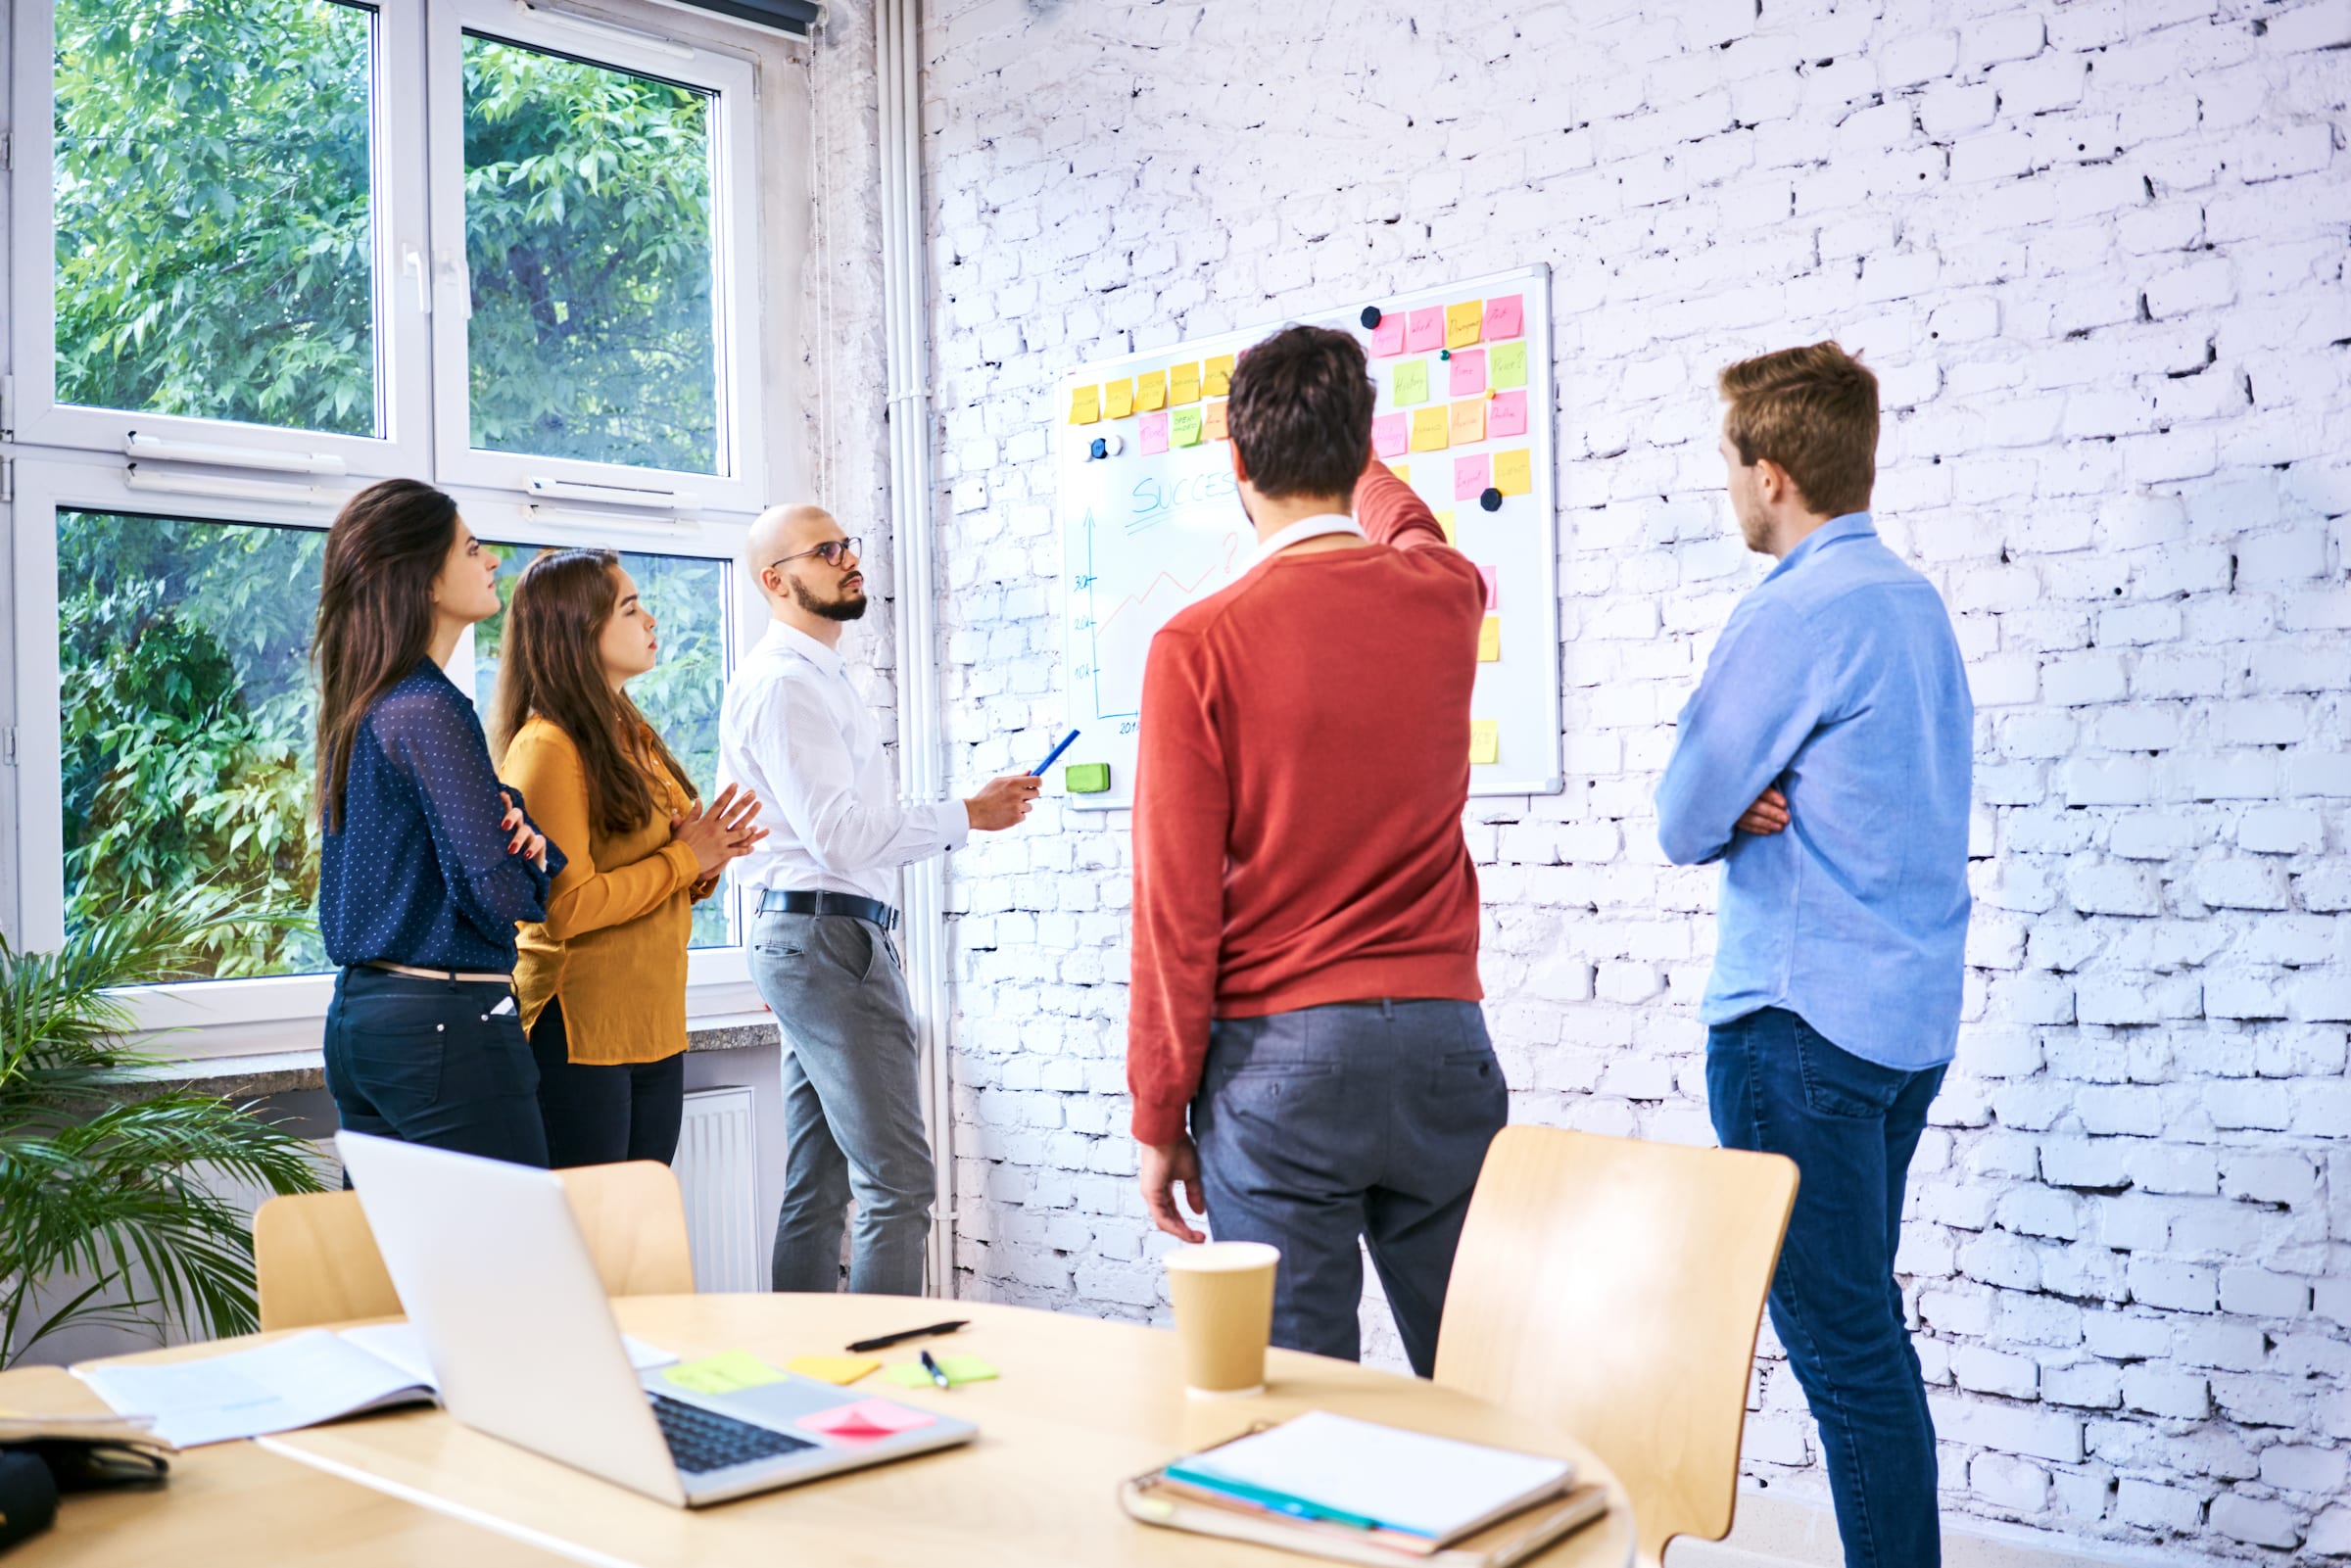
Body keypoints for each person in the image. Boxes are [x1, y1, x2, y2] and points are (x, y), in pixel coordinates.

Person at [1127, 324, 1504, 1377]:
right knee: (1479, 1389)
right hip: (1443, 1047)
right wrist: (1352, 453)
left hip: (1281, 1066)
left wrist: (1159, 1110)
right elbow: (1415, 527)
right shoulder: (1444, 593)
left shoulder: (1197, 643)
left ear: (1236, 465)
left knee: (1299, 1404)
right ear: (1360, 447)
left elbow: (1176, 906)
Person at [1655, 342, 1972, 1568]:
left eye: (1731, 461)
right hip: (1903, 1031)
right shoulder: (1912, 603)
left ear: (1773, 473)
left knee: (1848, 1354)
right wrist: (1758, 792)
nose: (1729, 486)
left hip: (1799, 1027)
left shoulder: (1794, 612)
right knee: (1865, 1335)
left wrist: (1735, 799)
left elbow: (1682, 813)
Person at [720, 505, 1041, 1296]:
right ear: (776, 580)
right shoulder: (788, 686)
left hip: (813, 937)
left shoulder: (813, 678)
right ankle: (879, 1395)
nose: (847, 558)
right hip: (826, 941)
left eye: (846, 544)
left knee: (819, 1185)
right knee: (898, 1185)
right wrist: (968, 813)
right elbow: (841, 837)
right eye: (824, 551)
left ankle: (808, 1378)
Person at [491, 548, 767, 1168]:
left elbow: (664, 869)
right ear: (579, 630)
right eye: (630, 608)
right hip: (579, 1029)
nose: (651, 622)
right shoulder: (547, 748)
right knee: (590, 1244)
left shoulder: (630, 736)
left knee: (638, 1238)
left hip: (654, 1022)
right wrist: (683, 860)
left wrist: (707, 857)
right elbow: (564, 909)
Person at [313, 479, 562, 1166]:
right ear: (425, 577)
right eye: (474, 548)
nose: (492, 564)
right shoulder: (431, 707)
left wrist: (510, 830)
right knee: (516, 1259)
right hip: (446, 1025)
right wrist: (532, 861)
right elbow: (499, 895)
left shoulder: (363, 704)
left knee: (398, 1267)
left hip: (363, 1021)